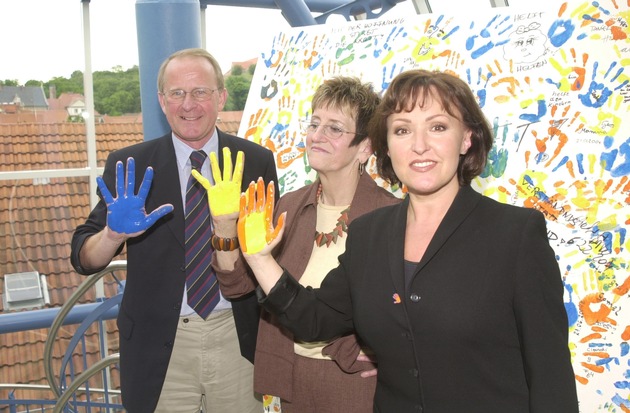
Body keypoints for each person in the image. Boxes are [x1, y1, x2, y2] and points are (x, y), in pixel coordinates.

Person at [236, 69, 580, 412]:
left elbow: (550, 377)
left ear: (467, 138)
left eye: (438, 127)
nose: (418, 145)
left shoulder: (515, 235)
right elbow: (313, 319)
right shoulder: (369, 233)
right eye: (402, 130)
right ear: (386, 145)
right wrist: (259, 258)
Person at [70, 48, 278, 413]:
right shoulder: (131, 166)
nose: (189, 104)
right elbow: (84, 258)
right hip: (158, 347)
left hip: (236, 336)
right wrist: (112, 236)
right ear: (161, 101)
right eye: (177, 93)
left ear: (221, 97)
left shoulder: (255, 161)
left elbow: (270, 252)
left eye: (200, 92)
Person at [204, 76, 400, 412]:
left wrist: (388, 351)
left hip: (355, 383)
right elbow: (237, 287)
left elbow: (409, 309)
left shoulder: (390, 215)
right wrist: (224, 226)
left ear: (365, 147)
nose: (317, 136)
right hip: (291, 378)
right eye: (314, 123)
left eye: (335, 128)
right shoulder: (288, 207)